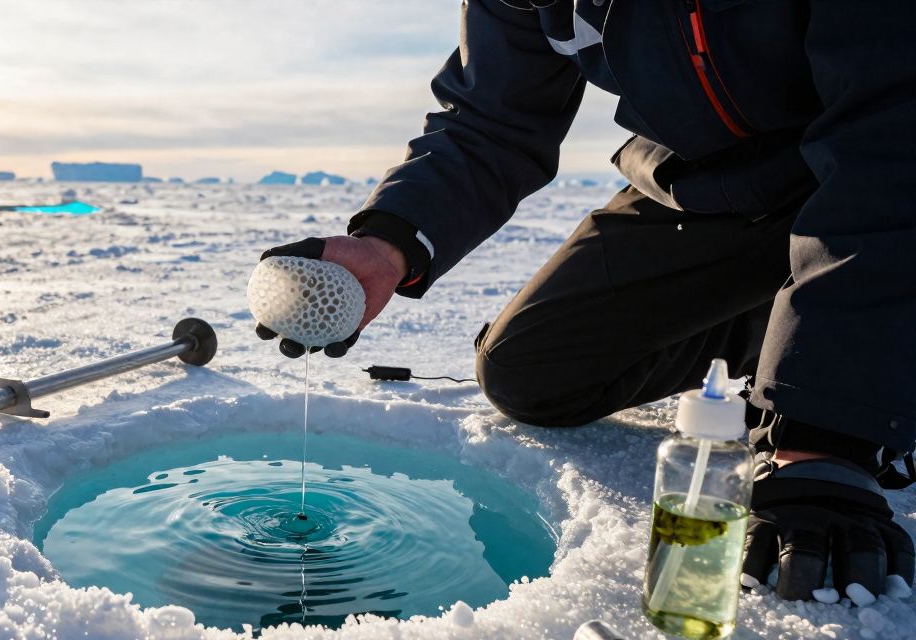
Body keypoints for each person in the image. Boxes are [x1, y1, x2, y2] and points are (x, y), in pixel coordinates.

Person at [255, 0, 914, 603]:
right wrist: (388, 244)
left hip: (873, 165)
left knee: (841, 385)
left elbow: (886, 140)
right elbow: (488, 123)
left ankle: (869, 364)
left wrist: (826, 434)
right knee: (531, 371)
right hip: (711, 189)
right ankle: (801, 331)